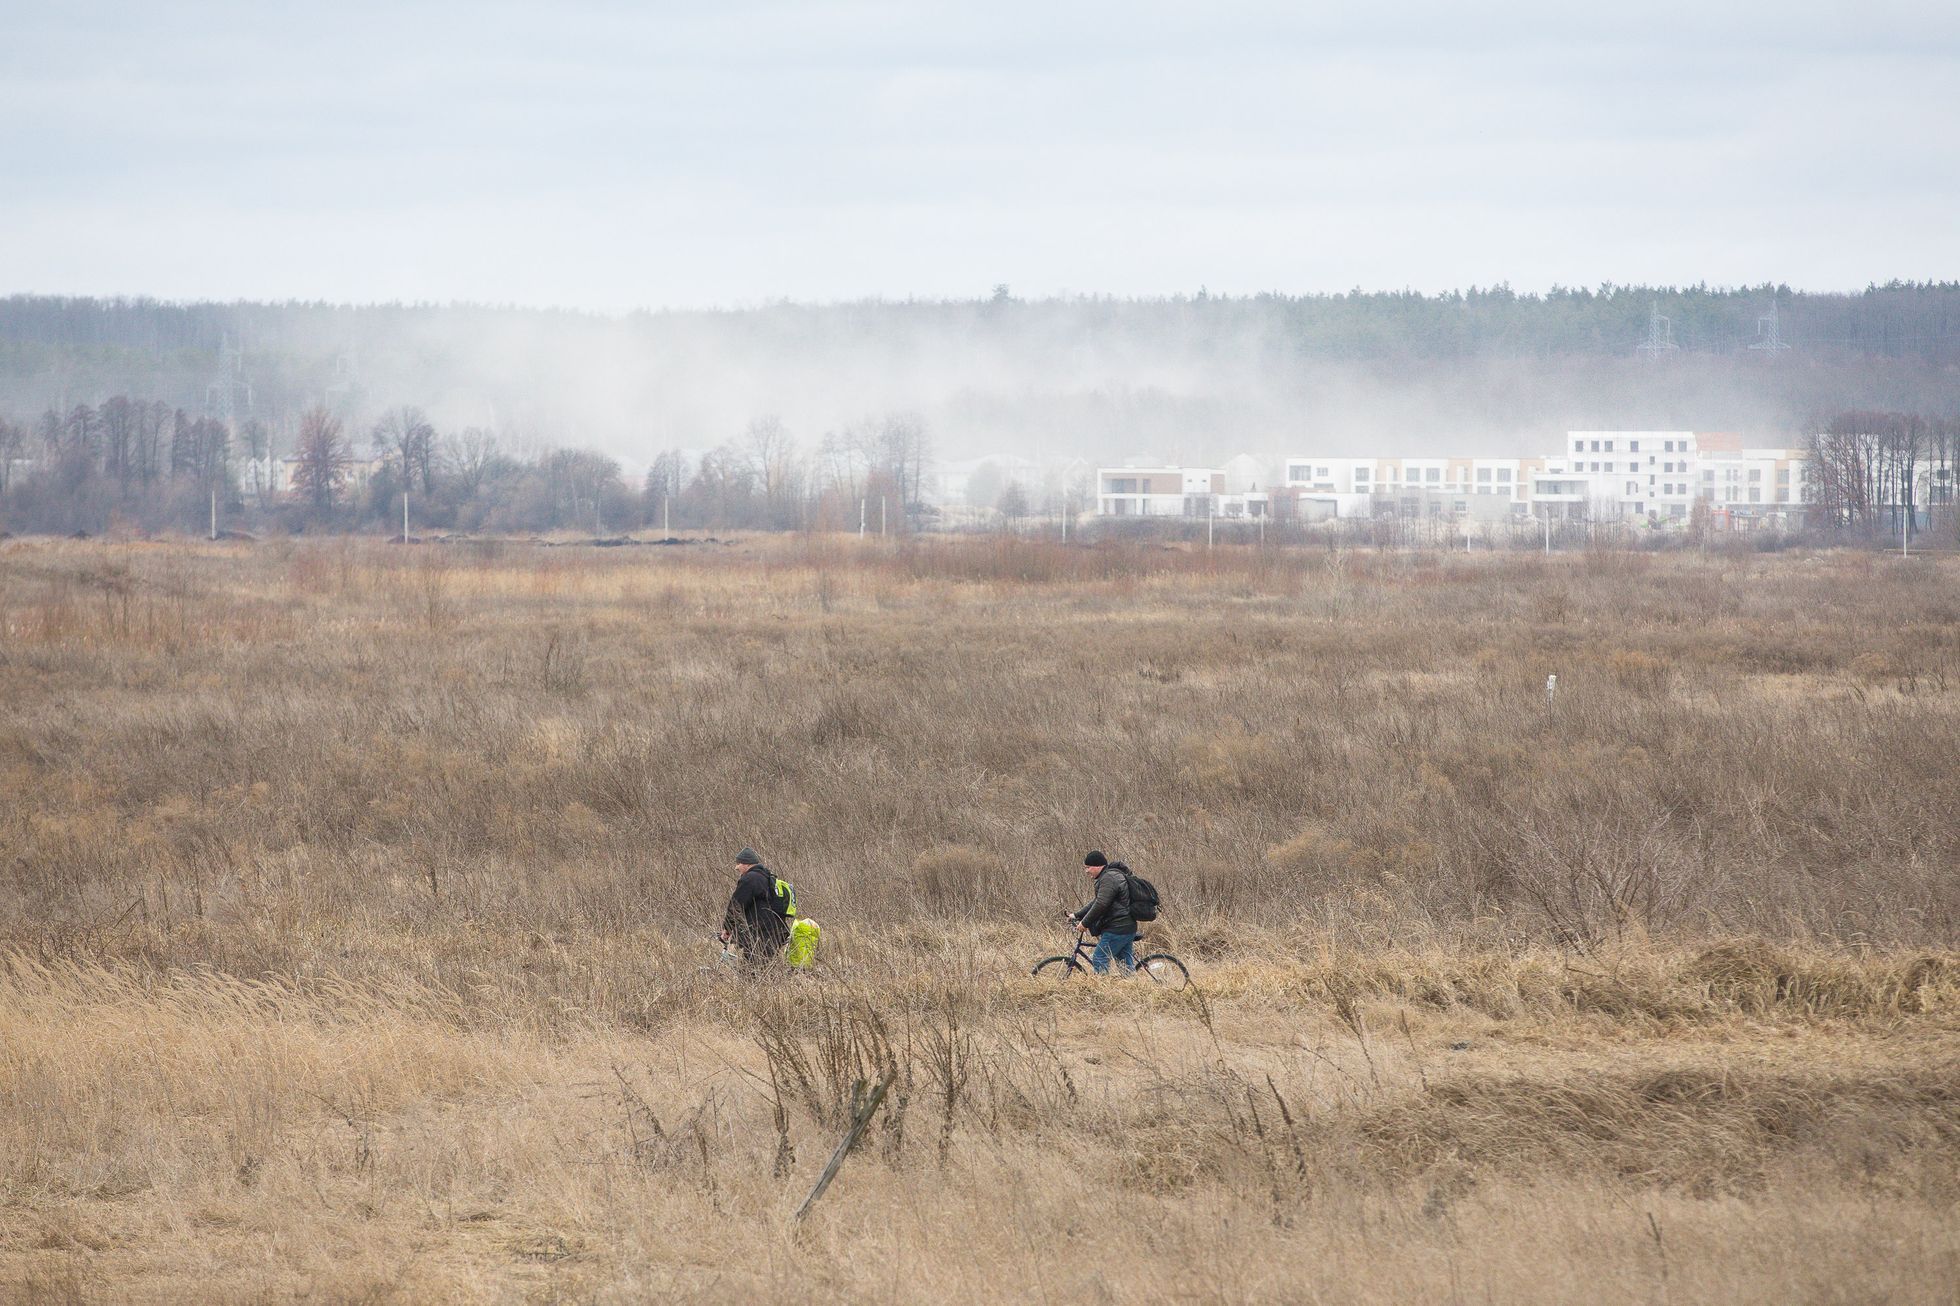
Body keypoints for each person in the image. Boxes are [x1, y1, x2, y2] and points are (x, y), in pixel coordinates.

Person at [1067, 850, 1137, 975]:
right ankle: (1134, 991)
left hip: (1117, 928)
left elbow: (1101, 904)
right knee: (1125, 967)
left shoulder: (1109, 878)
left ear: (1098, 866)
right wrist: (1077, 915)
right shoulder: (1109, 877)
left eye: (1088, 867)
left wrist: (1085, 923)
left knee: (1099, 958)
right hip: (1125, 927)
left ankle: (1103, 991)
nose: (1086, 871)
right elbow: (1097, 901)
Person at [721, 847, 790, 969]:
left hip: (761, 934)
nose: (736, 867)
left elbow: (736, 905)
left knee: (751, 973)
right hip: (775, 931)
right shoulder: (767, 877)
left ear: (747, 863)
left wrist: (727, 928)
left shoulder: (750, 879)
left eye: (739, 863)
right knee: (764, 970)